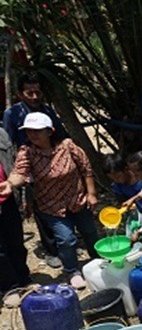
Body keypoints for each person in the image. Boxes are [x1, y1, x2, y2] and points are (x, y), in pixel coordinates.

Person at [3, 112, 98, 289]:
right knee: (66, 239)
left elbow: (86, 169)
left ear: (50, 131)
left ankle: (98, 261)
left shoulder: (67, 146)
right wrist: (10, 184)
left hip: (77, 199)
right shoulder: (27, 152)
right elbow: (20, 173)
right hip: (51, 205)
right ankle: (72, 270)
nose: (32, 134)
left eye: (37, 130)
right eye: (29, 131)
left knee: (90, 232)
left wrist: (91, 194)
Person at [3, 72, 68, 268]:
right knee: (39, 206)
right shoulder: (12, 114)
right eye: (29, 93)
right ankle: (51, 250)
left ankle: (65, 240)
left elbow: (60, 134)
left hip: (54, 163)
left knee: (58, 201)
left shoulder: (47, 110)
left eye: (37, 92)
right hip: (30, 166)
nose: (34, 97)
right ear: (20, 94)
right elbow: (8, 142)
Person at [0, 142, 30, 294]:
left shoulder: (2, 136)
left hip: (7, 199)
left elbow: (15, 165)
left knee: (16, 242)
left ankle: (24, 279)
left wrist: (12, 184)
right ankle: (10, 287)